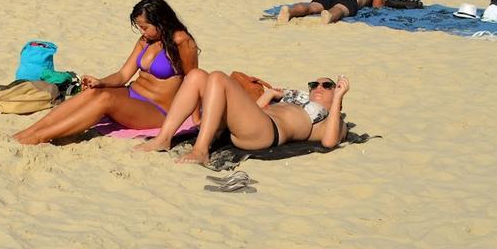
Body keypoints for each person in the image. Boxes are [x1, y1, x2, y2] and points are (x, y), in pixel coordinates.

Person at [14, 0, 200, 144]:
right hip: (132, 95)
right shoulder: (146, 41)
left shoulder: (182, 42)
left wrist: (196, 118)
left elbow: (194, 81)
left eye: (145, 27)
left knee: (105, 98)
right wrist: (100, 82)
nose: (142, 32)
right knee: (95, 92)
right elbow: (123, 75)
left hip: (157, 109)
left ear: (161, 21)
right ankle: (32, 130)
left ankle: (41, 136)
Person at [135, 72, 349, 163]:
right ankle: (164, 138)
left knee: (218, 77)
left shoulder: (332, 118)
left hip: (268, 132)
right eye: (314, 85)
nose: (318, 88)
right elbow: (252, 110)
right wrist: (269, 95)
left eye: (327, 85)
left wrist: (338, 98)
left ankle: (201, 150)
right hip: (254, 123)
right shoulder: (297, 99)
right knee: (197, 76)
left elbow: (329, 142)